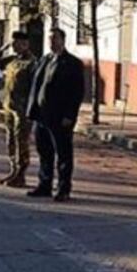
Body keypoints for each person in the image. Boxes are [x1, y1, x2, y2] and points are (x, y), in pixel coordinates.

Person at [26, 28, 85, 202]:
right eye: (50, 39)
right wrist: (32, 110)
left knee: (63, 154)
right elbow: (36, 86)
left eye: (55, 39)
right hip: (42, 116)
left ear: (63, 40)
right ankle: (45, 184)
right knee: (44, 152)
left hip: (60, 117)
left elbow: (77, 93)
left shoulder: (72, 63)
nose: (51, 42)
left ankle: (64, 188)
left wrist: (70, 115)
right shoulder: (45, 60)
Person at [0, 31, 36, 188]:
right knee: (10, 139)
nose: (15, 46)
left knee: (21, 142)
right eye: (13, 43)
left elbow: (34, 88)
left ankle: (21, 174)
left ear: (26, 44)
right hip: (9, 106)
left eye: (17, 43)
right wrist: (2, 48)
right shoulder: (12, 60)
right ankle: (13, 170)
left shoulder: (32, 63)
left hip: (22, 110)